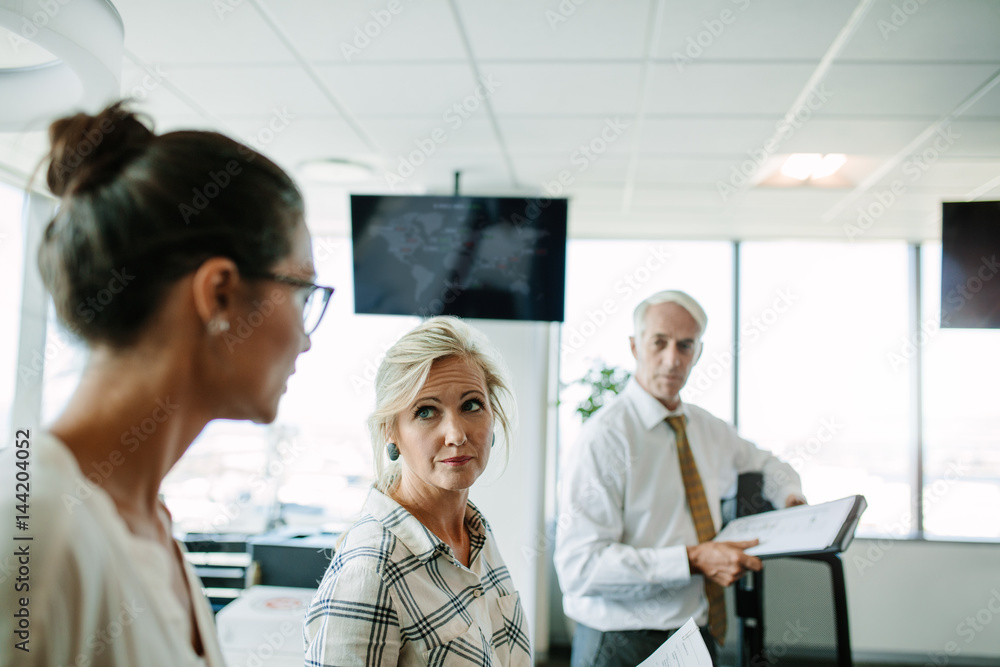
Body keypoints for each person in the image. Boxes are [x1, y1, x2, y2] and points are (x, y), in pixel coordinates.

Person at [0, 102, 333, 666]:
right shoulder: (36, 530)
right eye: (302, 291)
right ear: (220, 295)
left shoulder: (150, 524)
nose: (306, 339)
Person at [554, 290, 806, 667]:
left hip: (696, 634)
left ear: (698, 353)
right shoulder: (604, 438)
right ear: (635, 346)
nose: (673, 359)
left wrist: (790, 498)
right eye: (659, 342)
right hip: (622, 643)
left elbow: (770, 465)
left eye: (685, 346)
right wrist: (691, 559)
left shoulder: (707, 428)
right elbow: (580, 568)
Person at [304, 317, 531, 666]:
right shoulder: (370, 569)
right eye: (426, 412)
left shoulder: (477, 535)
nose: (456, 435)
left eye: (471, 405)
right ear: (390, 431)